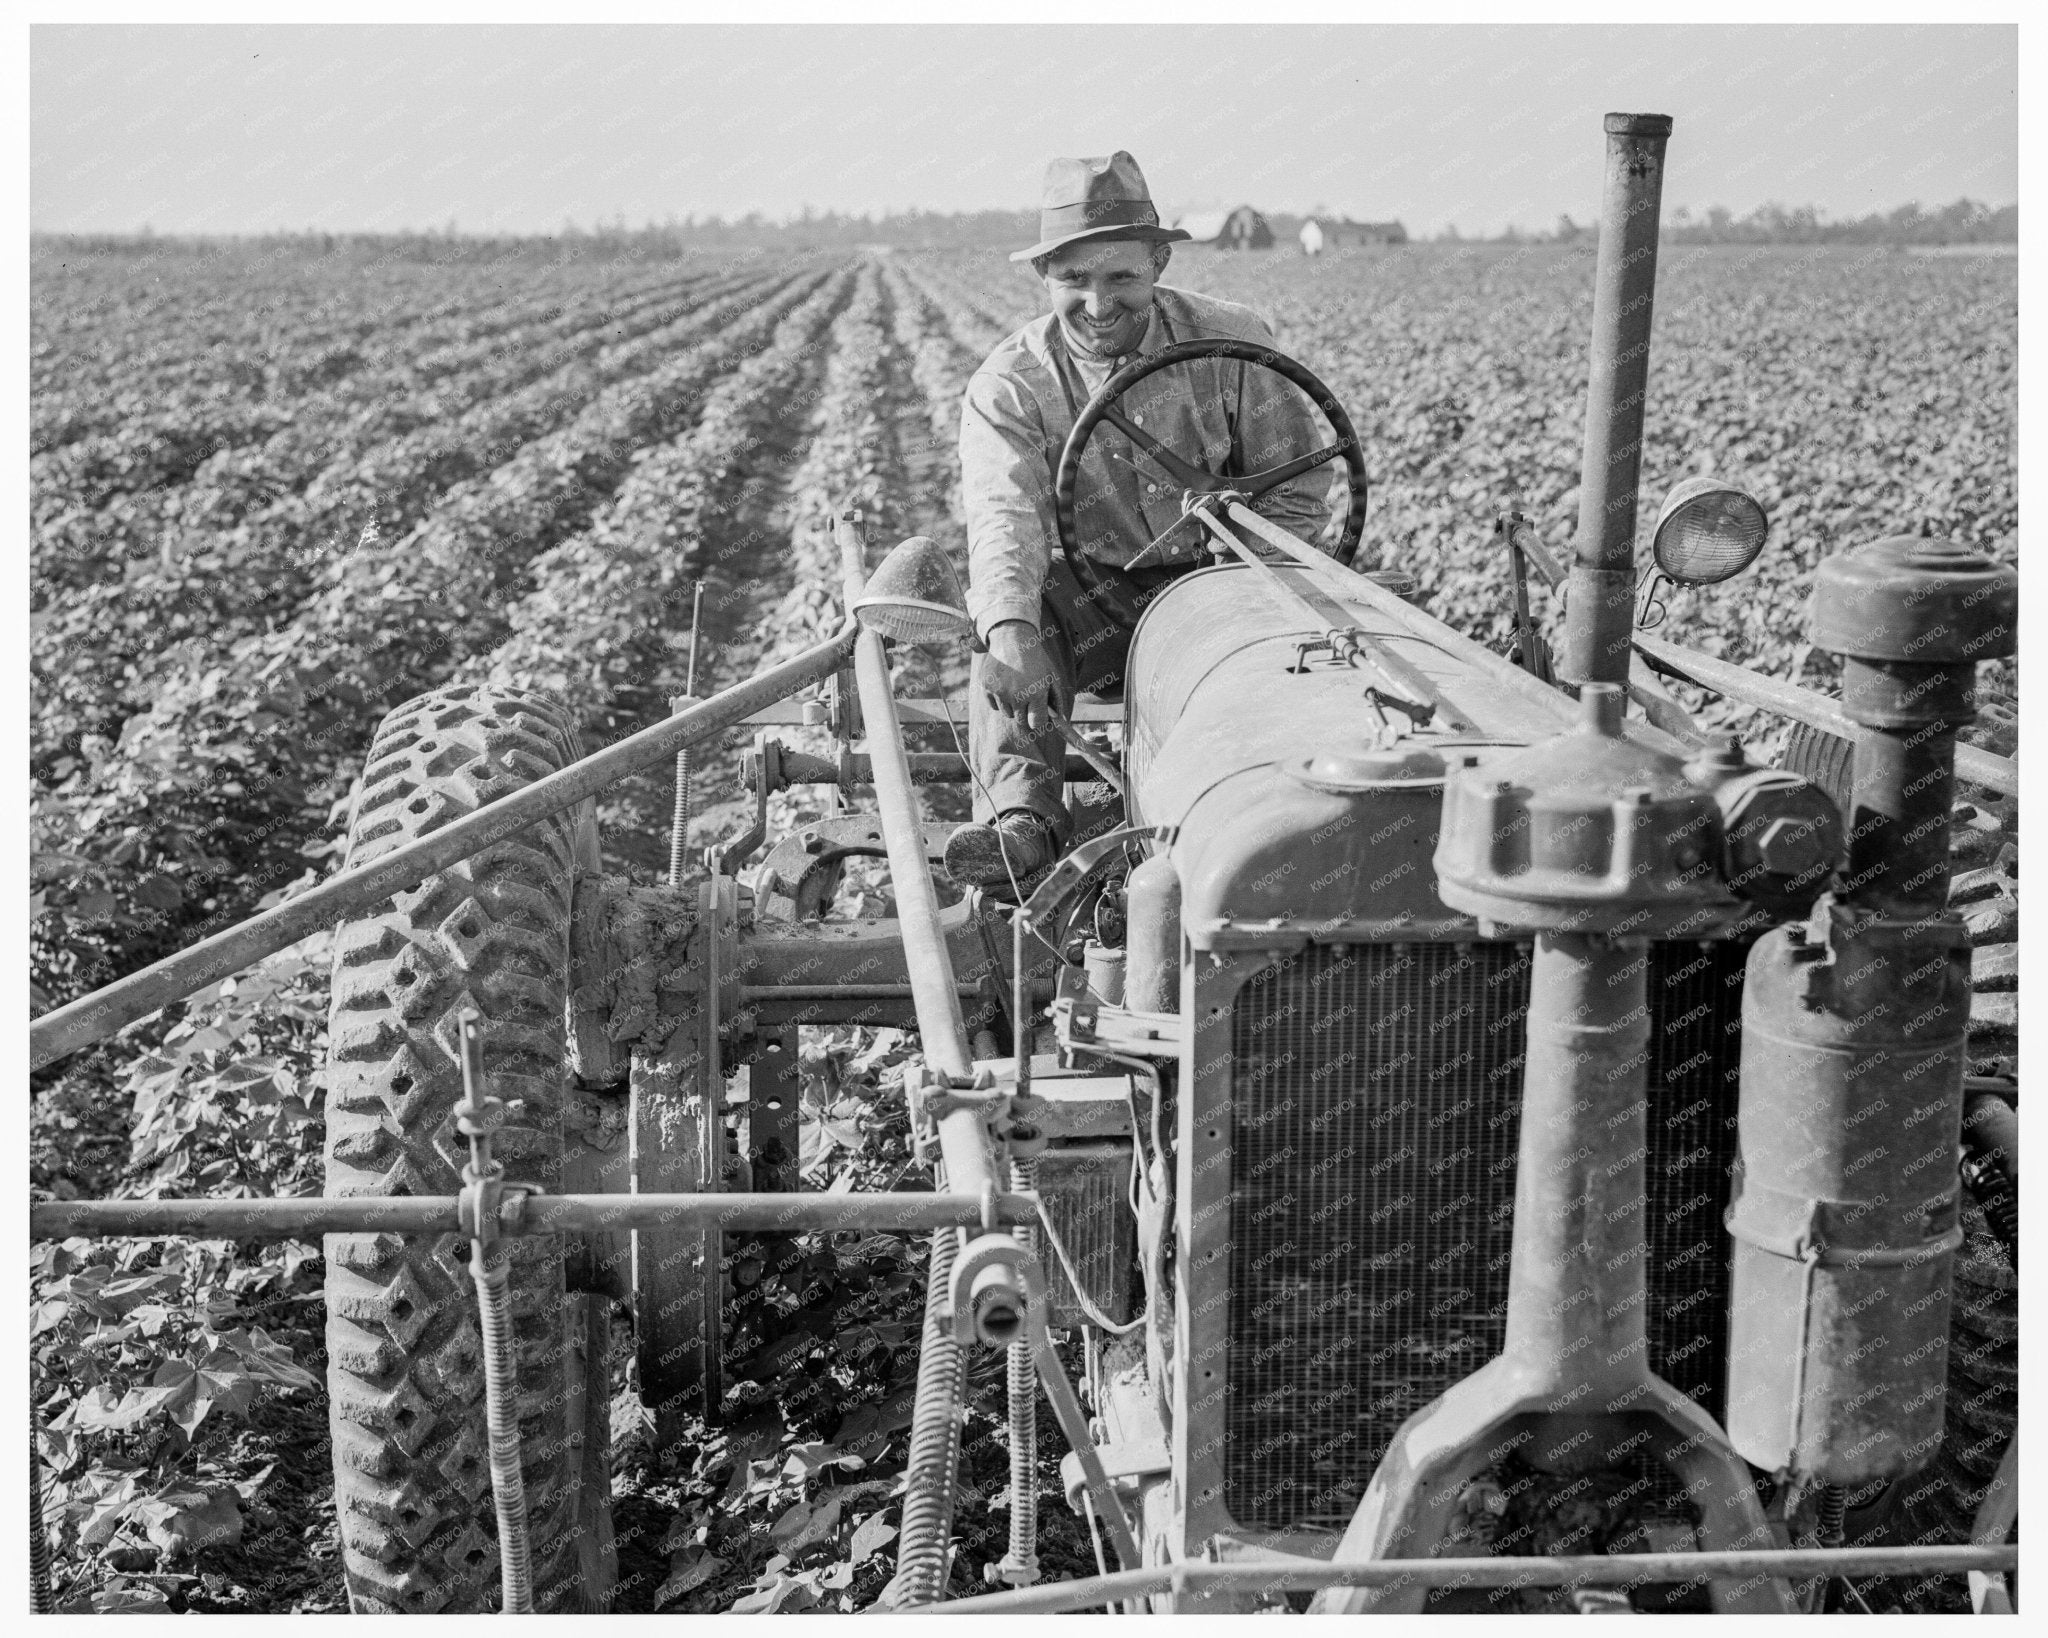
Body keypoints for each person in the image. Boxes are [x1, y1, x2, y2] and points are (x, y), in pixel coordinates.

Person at [943, 151, 1336, 890]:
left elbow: (1299, 486)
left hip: (1227, 584)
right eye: (1075, 281)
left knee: (1330, 639)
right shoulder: (1012, 382)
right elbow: (1005, 517)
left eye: (1121, 277)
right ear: (1044, 278)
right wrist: (1012, 634)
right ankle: (1020, 821)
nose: (1098, 304)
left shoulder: (1232, 341)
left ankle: (1289, 812)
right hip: (1094, 597)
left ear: (1158, 262)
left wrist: (1238, 576)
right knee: (1016, 620)